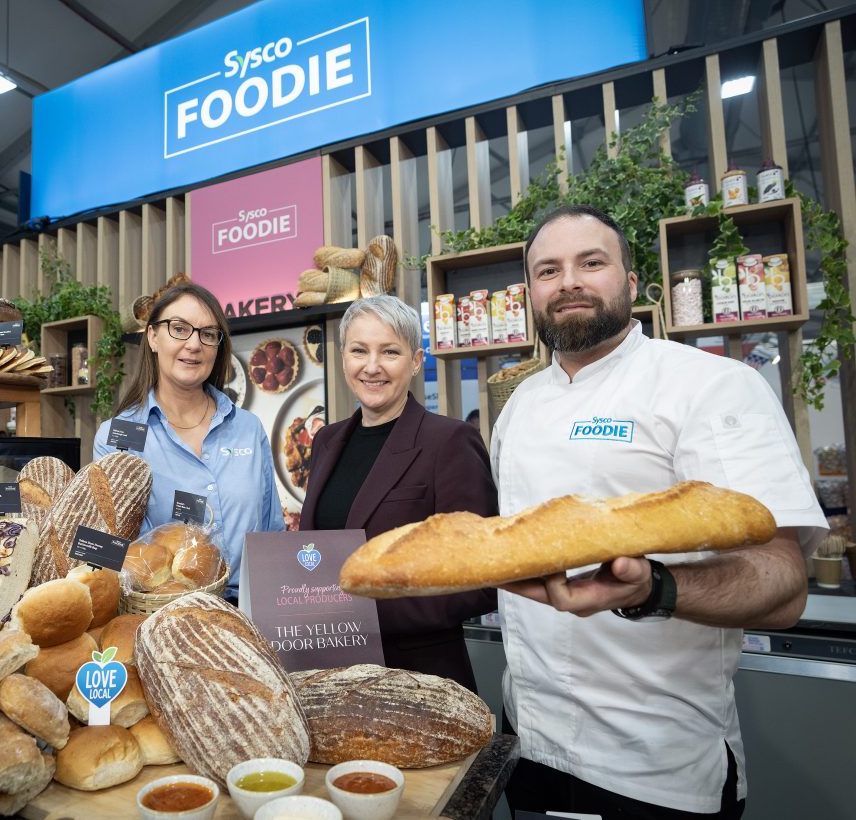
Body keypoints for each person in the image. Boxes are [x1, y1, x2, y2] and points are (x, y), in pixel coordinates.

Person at [491, 205, 827, 819]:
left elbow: (784, 587)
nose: (569, 282)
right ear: (531, 293)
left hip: (654, 763)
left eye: (591, 262)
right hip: (529, 744)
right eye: (548, 270)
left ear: (631, 281)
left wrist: (655, 588)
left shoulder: (711, 386)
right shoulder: (519, 406)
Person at [300, 295, 498, 691]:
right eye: (359, 351)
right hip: (330, 674)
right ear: (343, 359)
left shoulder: (450, 441)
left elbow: (482, 578)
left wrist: (361, 612)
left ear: (415, 361)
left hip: (420, 678)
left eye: (389, 351)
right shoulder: (326, 441)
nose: (372, 366)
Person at [94, 279, 283, 605]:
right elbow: (109, 546)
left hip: (251, 610)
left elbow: (272, 532)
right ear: (153, 337)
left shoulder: (247, 428)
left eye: (208, 334)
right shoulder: (117, 437)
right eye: (179, 329)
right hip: (164, 613)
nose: (194, 344)